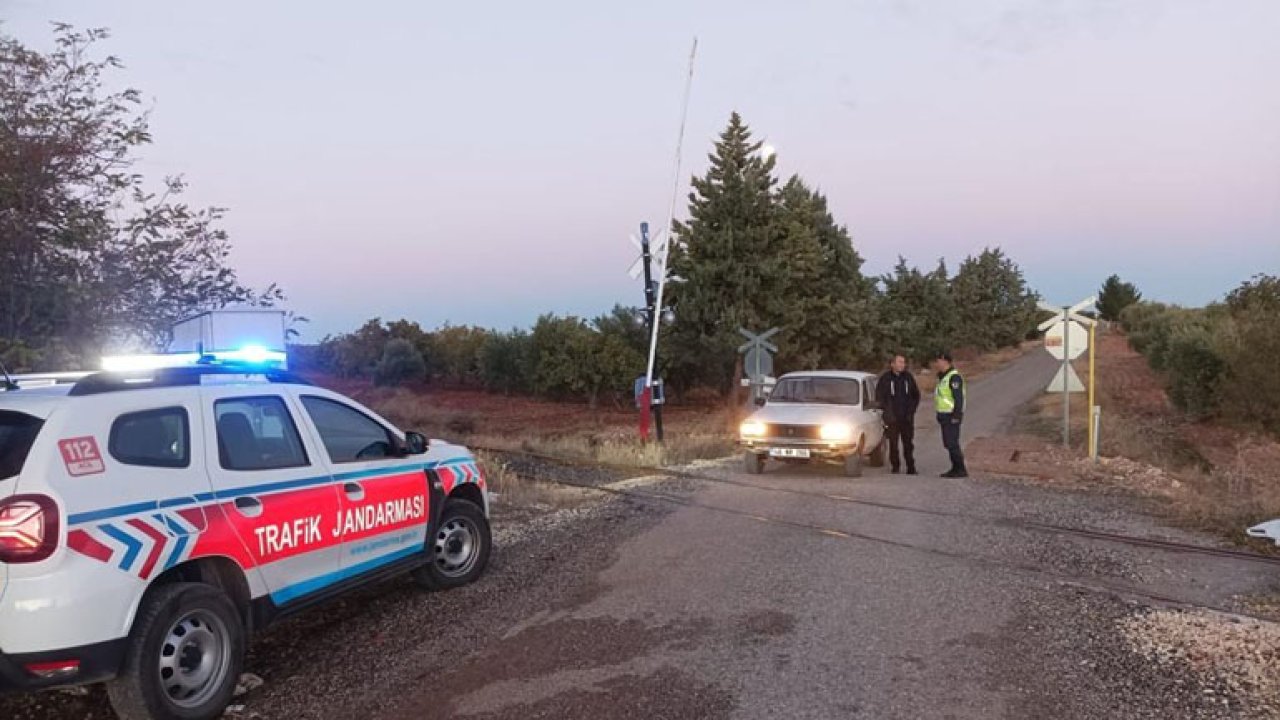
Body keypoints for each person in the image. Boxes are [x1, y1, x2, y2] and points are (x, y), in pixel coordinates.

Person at [875, 354, 920, 475]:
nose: (902, 365)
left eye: (903, 362)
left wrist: (911, 411)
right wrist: (887, 412)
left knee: (908, 443)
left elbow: (916, 396)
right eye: (899, 362)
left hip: (906, 418)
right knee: (893, 443)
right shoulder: (885, 378)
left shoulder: (908, 378)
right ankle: (895, 466)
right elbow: (879, 397)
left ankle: (911, 466)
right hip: (892, 418)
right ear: (892, 364)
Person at [932, 351, 968, 478]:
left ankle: (960, 469)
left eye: (938, 361)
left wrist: (956, 416)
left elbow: (958, 398)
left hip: (951, 415)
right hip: (944, 415)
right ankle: (955, 468)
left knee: (952, 443)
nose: (936, 364)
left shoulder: (954, 377)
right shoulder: (943, 377)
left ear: (944, 361)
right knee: (948, 443)